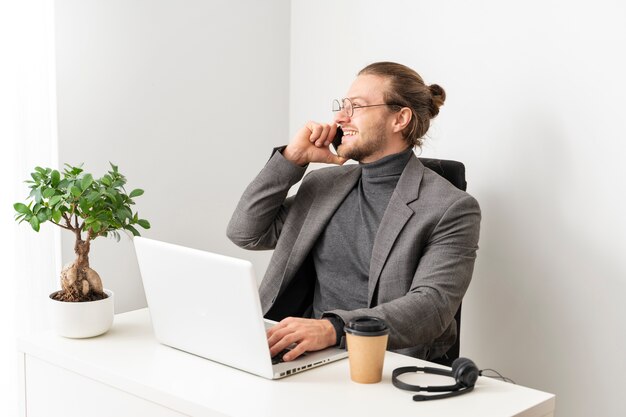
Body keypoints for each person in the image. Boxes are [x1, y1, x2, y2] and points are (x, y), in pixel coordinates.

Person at [227, 61, 481, 362]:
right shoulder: (323, 185)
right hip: (308, 356)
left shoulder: (450, 207)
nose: (339, 117)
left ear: (399, 118)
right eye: (342, 106)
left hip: (388, 363)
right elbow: (246, 233)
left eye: (356, 107)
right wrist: (292, 159)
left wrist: (333, 328)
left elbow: (431, 306)